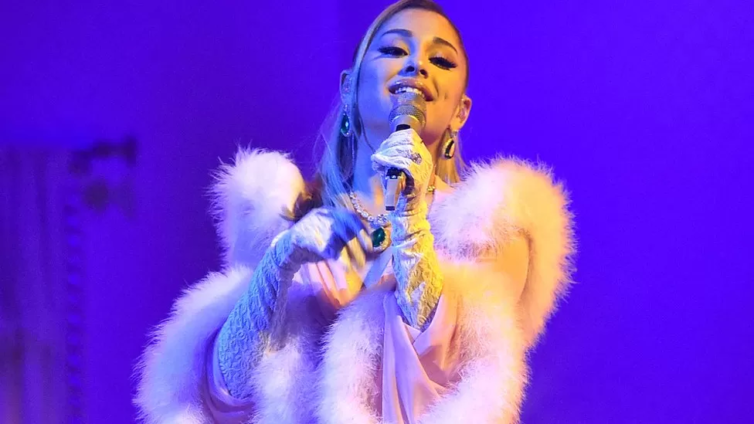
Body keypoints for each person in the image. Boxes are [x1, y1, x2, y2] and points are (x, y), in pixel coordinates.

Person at [134, 0, 575, 422]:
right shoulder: (283, 216)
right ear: (349, 87)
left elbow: (458, 389)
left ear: (460, 112)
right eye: (394, 50)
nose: (416, 65)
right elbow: (222, 402)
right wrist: (279, 264)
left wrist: (409, 219)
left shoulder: (486, 228)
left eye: (440, 60)